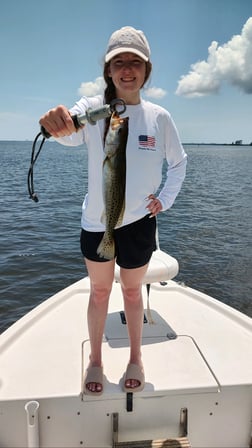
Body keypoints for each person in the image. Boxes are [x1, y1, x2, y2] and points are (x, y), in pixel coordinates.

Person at [39, 26, 187, 395]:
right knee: (100, 293)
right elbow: (69, 130)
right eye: (118, 61)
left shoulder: (159, 117)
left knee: (134, 294)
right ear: (107, 70)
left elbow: (179, 163)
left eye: (134, 61)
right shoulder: (92, 108)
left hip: (138, 223)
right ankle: (96, 362)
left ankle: (135, 356)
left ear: (146, 70)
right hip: (97, 223)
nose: (126, 68)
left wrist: (164, 199)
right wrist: (55, 122)